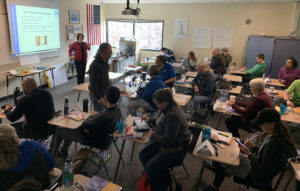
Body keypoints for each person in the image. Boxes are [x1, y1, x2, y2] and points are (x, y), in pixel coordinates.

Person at [204, 108, 297, 191]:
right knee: (230, 156)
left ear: (272, 124)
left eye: (261, 124)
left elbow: (263, 171)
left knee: (225, 160)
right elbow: (266, 157)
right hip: (261, 171)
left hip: (258, 178)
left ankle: (214, 184)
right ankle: (215, 166)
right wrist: (254, 148)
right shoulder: (278, 136)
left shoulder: (273, 143)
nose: (260, 127)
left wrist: (249, 154)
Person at [139, 88, 189, 191]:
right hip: (168, 144)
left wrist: (152, 136)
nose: (157, 106)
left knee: (149, 168)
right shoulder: (166, 109)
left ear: (165, 102)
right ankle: (161, 177)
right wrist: (150, 119)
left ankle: (159, 186)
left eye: (157, 104)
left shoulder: (173, 115)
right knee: (143, 154)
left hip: (175, 150)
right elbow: (161, 121)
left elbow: (168, 140)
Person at [55, 86, 122, 158]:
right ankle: (63, 150)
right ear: (118, 99)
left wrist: (88, 119)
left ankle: (51, 157)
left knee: (58, 131)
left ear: (105, 97)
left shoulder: (103, 115)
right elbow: (97, 121)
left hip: (91, 138)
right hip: (105, 139)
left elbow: (85, 124)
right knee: (70, 128)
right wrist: (93, 117)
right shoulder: (118, 111)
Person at [0, 124, 54, 190]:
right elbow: (50, 164)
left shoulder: (2, 166)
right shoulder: (32, 145)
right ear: (15, 137)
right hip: (44, 187)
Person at [88, 42, 112, 111]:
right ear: (103, 52)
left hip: (104, 92)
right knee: (99, 115)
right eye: (109, 50)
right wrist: (99, 97)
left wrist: (109, 92)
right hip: (96, 94)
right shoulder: (94, 65)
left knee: (106, 113)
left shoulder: (105, 64)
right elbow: (94, 83)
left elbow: (106, 80)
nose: (111, 52)